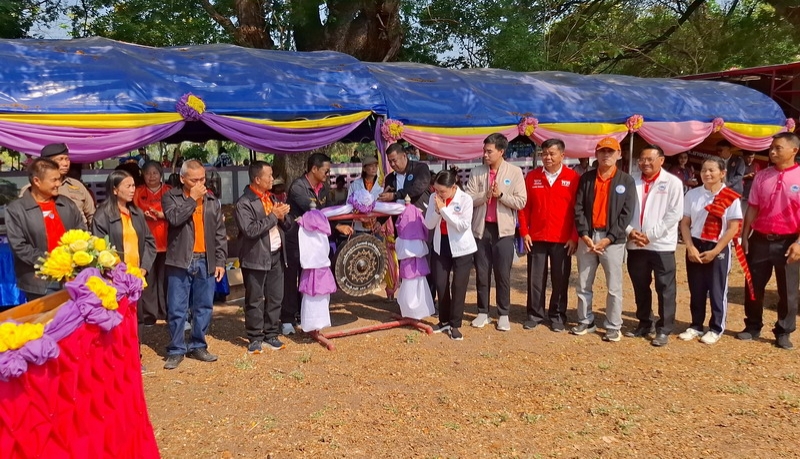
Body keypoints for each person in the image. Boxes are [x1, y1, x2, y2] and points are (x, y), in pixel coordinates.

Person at [161, 160, 228, 370]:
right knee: (177, 307)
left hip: (205, 259)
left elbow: (219, 233)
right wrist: (192, 199)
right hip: (180, 259)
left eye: (202, 179)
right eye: (194, 180)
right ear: (182, 179)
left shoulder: (211, 200)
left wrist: (220, 261)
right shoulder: (171, 197)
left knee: (204, 306)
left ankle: (198, 345)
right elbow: (174, 218)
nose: (200, 183)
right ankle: (176, 349)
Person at [737, 132, 800, 350]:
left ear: (794, 150)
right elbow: (753, 207)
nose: (772, 152)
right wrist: (745, 236)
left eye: (778, 148)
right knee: (753, 286)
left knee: (788, 290)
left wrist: (799, 243)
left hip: (789, 242)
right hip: (760, 240)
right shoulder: (762, 176)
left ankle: (784, 331)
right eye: (771, 148)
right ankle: (752, 325)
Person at [572, 137, 636, 342]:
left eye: (610, 151)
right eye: (602, 151)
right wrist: (584, 234)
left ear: (619, 154)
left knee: (614, 286)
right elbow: (579, 208)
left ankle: (613, 325)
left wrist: (609, 238)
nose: (606, 155)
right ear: (596, 154)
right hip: (588, 238)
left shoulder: (626, 180)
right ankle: (585, 320)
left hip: (613, 241)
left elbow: (626, 214)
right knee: (583, 283)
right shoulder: (587, 178)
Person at [282, 153, 352, 335]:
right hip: (295, 239)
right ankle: (287, 319)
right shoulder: (298, 187)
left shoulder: (324, 188)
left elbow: (329, 211)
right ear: (314, 169)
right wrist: (336, 224)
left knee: (308, 277)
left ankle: (302, 314)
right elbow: (317, 212)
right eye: (325, 171)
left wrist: (338, 224)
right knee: (291, 278)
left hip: (314, 242)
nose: (328, 174)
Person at [92, 169, 157, 362]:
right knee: (117, 318)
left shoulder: (136, 213)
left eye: (133, 185)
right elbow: (99, 248)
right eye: (127, 186)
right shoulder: (102, 216)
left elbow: (150, 242)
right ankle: (117, 358)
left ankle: (135, 356)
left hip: (136, 277)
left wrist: (144, 268)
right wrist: (115, 273)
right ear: (114, 190)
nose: (132, 189)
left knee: (137, 318)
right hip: (115, 279)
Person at [465, 133, 527, 331]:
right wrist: (484, 196)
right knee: (482, 273)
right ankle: (482, 312)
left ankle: (503, 314)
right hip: (481, 229)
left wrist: (501, 195)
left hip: (504, 231)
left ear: (501, 151)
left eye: (489, 151)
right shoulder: (476, 172)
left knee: (503, 274)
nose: (485, 154)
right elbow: (468, 199)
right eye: (484, 151)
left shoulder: (514, 172)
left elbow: (521, 201)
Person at [624, 145, 684, 347]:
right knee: (640, 286)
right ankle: (644, 322)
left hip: (661, 245)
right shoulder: (631, 180)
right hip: (635, 243)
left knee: (665, 287)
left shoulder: (673, 183)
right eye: (642, 159)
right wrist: (629, 231)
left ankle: (664, 328)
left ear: (661, 160)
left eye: (650, 159)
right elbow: (622, 210)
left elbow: (674, 214)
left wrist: (651, 235)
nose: (645, 163)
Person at [678, 157, 742, 345]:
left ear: (722, 173)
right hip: (695, 244)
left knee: (717, 289)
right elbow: (685, 223)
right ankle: (696, 325)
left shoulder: (730, 197)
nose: (706, 174)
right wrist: (690, 247)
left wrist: (715, 251)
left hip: (718, 246)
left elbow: (733, 227)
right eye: (704, 170)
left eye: (711, 170)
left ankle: (716, 328)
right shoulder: (692, 194)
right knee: (696, 288)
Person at [518, 138, 579, 332]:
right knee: (535, 279)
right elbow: (524, 208)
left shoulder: (573, 178)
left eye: (552, 153)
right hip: (536, 237)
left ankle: (557, 315)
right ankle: (535, 314)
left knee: (560, 279)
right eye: (544, 154)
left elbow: (578, 211)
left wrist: (574, 237)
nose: (547, 157)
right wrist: (524, 232)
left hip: (563, 239)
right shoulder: (532, 177)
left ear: (562, 155)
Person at [6, 158, 87, 300]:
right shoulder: (17, 210)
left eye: (59, 179)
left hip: (71, 277)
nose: (58, 184)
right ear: (37, 181)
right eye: (54, 180)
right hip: (40, 282)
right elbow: (19, 246)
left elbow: (82, 232)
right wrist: (51, 261)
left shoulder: (67, 204)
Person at [235, 161, 293, 354]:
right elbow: (250, 230)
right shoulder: (244, 203)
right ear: (257, 179)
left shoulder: (271, 198)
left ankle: (271, 334)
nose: (272, 179)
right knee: (255, 298)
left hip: (277, 254)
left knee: (275, 297)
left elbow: (288, 226)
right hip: (255, 257)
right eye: (269, 175)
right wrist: (274, 216)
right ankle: (255, 337)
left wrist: (283, 217)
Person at [424, 168, 477, 340]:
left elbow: (462, 225)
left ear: (453, 187)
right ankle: (444, 320)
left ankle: (455, 324)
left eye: (442, 191)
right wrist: (436, 211)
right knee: (441, 284)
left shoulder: (466, 199)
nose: (438, 194)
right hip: (441, 245)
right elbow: (429, 224)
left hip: (462, 248)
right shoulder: (434, 198)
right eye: (436, 190)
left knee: (458, 286)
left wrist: (444, 211)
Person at [20, 143, 95, 227]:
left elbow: (92, 215)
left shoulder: (77, 185)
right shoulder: (31, 190)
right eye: (60, 159)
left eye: (67, 159)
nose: (65, 163)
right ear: (47, 163)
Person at [134, 161, 171, 325]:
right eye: (148, 173)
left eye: (155, 173)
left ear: (161, 174)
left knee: (166, 279)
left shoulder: (169, 191)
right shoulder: (137, 192)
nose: (151, 176)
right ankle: (150, 314)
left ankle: (166, 311)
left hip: (167, 242)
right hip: (146, 244)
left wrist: (163, 215)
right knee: (148, 279)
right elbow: (131, 212)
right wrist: (142, 216)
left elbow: (178, 213)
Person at [379, 143, 431, 211]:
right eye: (390, 161)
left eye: (394, 160)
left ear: (404, 156)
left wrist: (395, 195)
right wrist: (383, 198)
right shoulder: (389, 178)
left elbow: (417, 188)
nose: (392, 164)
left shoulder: (420, 168)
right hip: (398, 216)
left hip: (419, 214)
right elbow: (389, 203)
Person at [347, 155, 384, 233]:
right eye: (371, 166)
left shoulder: (381, 184)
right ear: (364, 168)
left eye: (375, 166)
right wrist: (359, 216)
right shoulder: (355, 184)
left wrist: (379, 221)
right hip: (359, 227)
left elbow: (385, 206)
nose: (374, 168)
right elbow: (348, 204)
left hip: (376, 226)